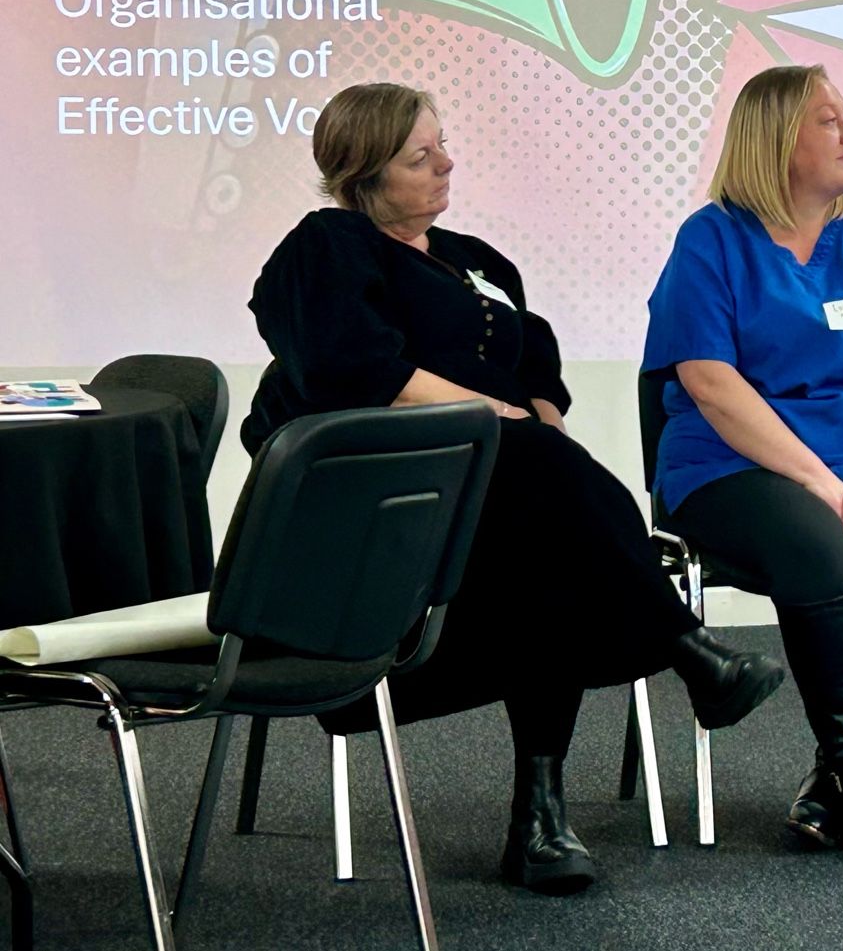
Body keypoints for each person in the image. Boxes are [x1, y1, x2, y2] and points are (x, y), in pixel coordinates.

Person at [245, 83, 785, 895]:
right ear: (364, 171)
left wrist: (538, 426)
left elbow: (534, 366)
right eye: (419, 157)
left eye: (443, 145)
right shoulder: (328, 245)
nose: (446, 164)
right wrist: (486, 414)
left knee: (551, 555)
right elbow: (348, 364)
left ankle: (541, 815)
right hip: (381, 501)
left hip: (493, 500)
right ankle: (685, 652)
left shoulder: (470, 262)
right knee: (532, 482)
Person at [642, 64, 843, 862]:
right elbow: (710, 383)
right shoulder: (712, 239)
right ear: (777, 141)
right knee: (816, 549)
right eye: (830, 121)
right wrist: (820, 481)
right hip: (735, 462)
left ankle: (838, 773)